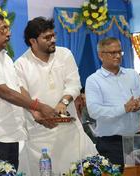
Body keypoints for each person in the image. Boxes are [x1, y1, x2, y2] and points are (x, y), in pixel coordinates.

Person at [0, 13, 57, 176]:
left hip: (11, 134)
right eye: (3, 29)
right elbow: (4, 92)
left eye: (8, 28)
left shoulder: (6, 59)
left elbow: (17, 88)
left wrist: (34, 112)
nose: (9, 33)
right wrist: (39, 106)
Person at [14, 17, 97, 175]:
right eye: (47, 37)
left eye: (53, 35)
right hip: (39, 134)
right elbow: (21, 93)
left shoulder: (64, 54)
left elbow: (74, 84)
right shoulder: (21, 64)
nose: (53, 40)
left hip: (69, 131)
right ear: (33, 41)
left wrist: (63, 103)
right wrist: (35, 112)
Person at [85, 37, 140, 172]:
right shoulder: (94, 80)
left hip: (136, 140)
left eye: (119, 52)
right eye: (112, 52)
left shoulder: (132, 74)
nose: (117, 56)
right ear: (100, 55)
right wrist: (124, 108)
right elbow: (94, 111)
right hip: (111, 143)